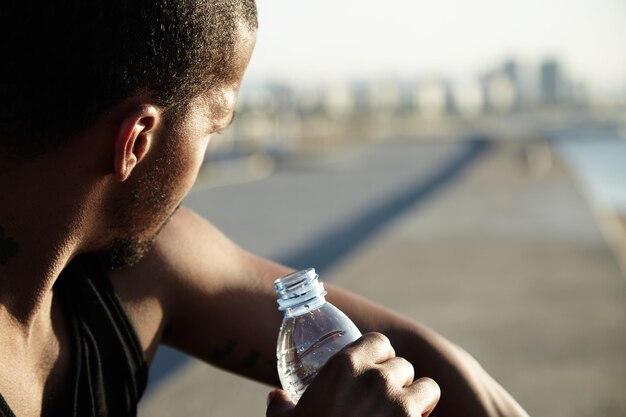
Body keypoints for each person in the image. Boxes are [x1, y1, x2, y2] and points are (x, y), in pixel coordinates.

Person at [0, 1, 529, 416]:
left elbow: (412, 352)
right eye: (215, 124)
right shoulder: (137, 277)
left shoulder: (144, 266)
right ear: (136, 140)